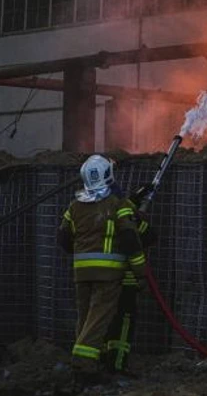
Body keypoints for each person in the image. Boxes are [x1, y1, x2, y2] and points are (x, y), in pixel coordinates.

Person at [56, 155, 148, 385]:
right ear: (108, 175)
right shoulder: (117, 204)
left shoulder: (74, 206)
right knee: (98, 318)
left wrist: (84, 251)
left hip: (81, 273)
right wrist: (140, 272)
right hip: (108, 275)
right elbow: (130, 240)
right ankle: (83, 364)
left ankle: (89, 362)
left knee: (85, 318)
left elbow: (63, 238)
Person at [100, 183, 157, 376]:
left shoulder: (92, 214)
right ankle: (117, 365)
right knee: (123, 322)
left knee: (102, 320)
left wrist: (133, 203)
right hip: (124, 279)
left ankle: (101, 361)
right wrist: (138, 217)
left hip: (100, 278)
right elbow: (148, 236)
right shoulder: (126, 217)